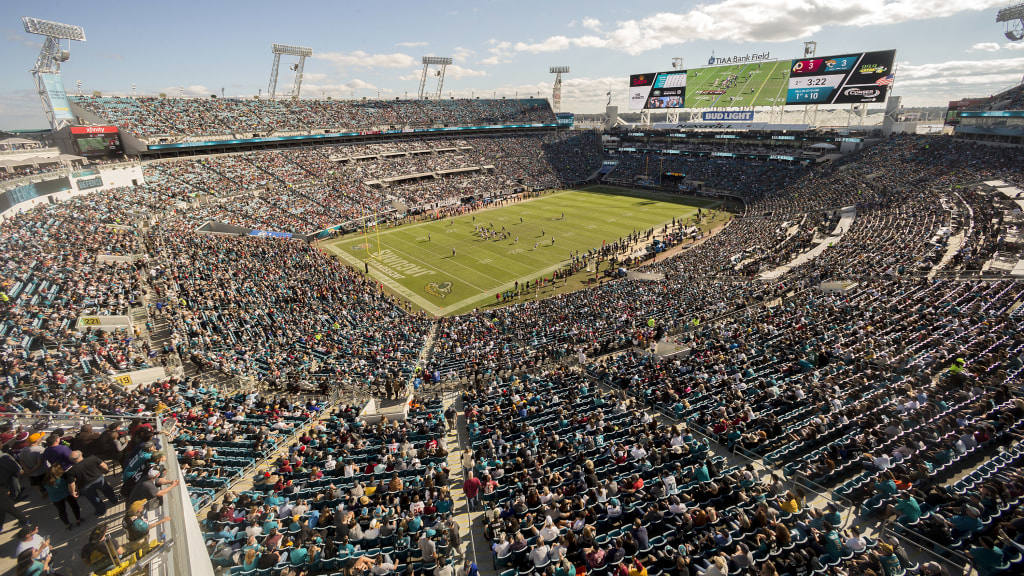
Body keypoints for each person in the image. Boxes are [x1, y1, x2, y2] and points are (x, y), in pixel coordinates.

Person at [66, 450, 119, 517]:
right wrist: (106, 471)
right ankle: (114, 499)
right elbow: (103, 465)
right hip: (98, 479)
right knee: (107, 490)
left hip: (85, 486)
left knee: (94, 498)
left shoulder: (71, 471)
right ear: (81, 454)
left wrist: (73, 492)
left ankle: (101, 511)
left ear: (72, 460)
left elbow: (71, 484)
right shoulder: (92, 458)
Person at [43, 464, 82, 529]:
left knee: (61, 511)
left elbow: (43, 489)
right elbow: (70, 483)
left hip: (55, 498)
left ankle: (67, 524)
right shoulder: (63, 477)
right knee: (74, 506)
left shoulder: (46, 481)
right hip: (67, 494)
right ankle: (78, 519)